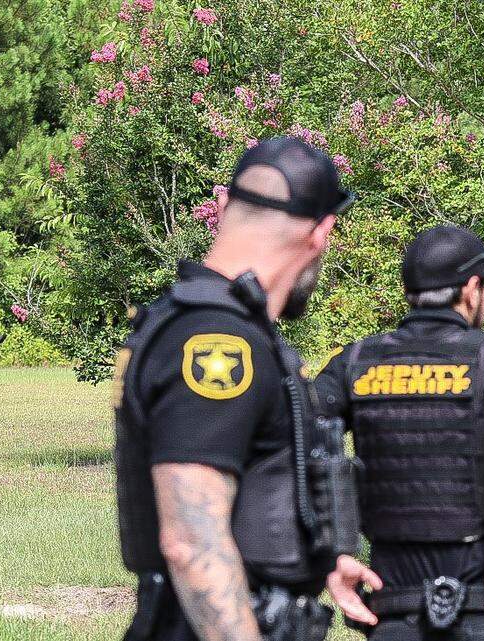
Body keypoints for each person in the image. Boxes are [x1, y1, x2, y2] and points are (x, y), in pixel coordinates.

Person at [113, 137, 380, 641]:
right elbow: (193, 540)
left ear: (221, 206)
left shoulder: (218, 325)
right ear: (322, 232)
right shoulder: (218, 342)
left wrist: (313, 560)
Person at [313, 225, 484, 641]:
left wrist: (334, 554)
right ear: (472, 289)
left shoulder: (354, 360)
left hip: (393, 610)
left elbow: (301, 438)